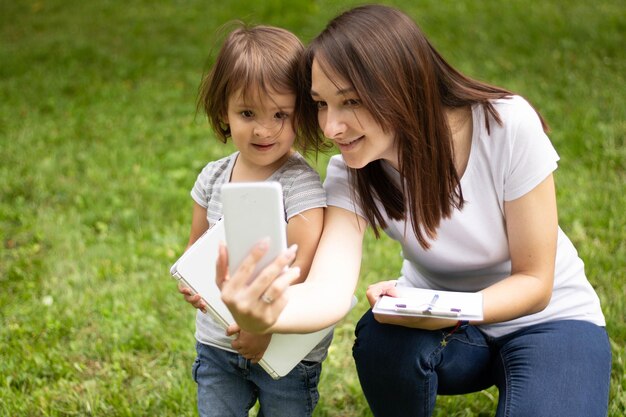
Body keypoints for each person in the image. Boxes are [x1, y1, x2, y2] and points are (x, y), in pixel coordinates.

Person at [215, 5, 612, 417]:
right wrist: (267, 315)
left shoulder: (506, 125)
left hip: (551, 320)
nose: (331, 127)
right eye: (320, 104)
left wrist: (444, 309)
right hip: (443, 330)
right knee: (381, 339)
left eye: (350, 101)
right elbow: (328, 289)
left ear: (400, 86)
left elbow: (534, 281)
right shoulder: (350, 173)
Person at [177, 23, 330, 417]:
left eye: (281, 114)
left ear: (303, 114)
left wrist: (263, 332)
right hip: (218, 344)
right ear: (223, 110)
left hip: (284, 350)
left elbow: (302, 269)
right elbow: (197, 246)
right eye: (247, 113)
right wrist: (195, 285)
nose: (264, 129)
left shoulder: (301, 186)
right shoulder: (213, 176)